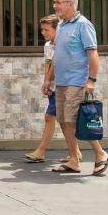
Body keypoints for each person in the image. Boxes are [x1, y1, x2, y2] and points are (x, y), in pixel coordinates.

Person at [49, 0, 108, 175]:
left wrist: (91, 80)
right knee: (63, 121)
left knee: (74, 120)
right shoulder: (61, 25)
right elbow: (56, 55)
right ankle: (74, 160)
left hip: (77, 81)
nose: (55, 5)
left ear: (70, 4)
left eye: (58, 2)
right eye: (54, 1)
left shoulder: (83, 25)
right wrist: (48, 79)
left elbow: (92, 54)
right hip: (61, 82)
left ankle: (100, 154)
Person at [24, 14, 82, 164]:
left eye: (46, 30)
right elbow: (48, 64)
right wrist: (46, 82)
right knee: (64, 121)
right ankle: (76, 153)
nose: (43, 33)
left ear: (58, 30)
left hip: (66, 85)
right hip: (55, 87)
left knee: (51, 118)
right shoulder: (48, 46)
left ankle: (41, 151)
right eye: (42, 29)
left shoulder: (64, 44)